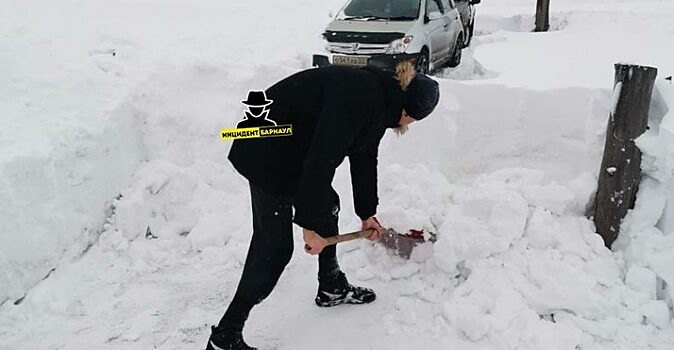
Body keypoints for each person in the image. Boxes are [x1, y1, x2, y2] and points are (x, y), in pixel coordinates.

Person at [206, 60, 440, 350]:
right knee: (275, 248)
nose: (408, 126)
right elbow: (321, 161)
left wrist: (367, 214)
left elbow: (364, 155)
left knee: (329, 205)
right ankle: (225, 336)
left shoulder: (379, 98)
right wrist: (309, 226)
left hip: (286, 147)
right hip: (266, 150)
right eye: (413, 121)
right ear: (408, 112)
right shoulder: (364, 99)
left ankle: (330, 285)